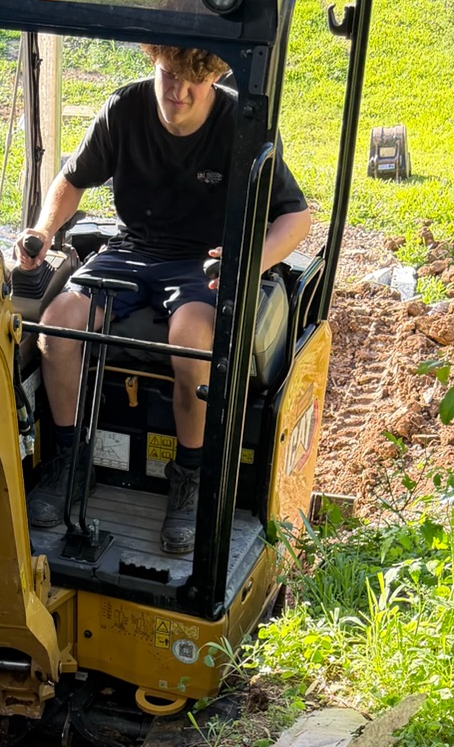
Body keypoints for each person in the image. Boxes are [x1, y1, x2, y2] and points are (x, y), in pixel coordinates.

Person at [16, 43, 312, 553]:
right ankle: (71, 461)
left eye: (194, 82)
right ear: (154, 62)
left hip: (205, 260)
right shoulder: (125, 108)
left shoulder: (242, 125)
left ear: (214, 79)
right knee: (58, 324)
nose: (178, 91)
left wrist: (247, 264)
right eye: (169, 75)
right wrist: (44, 230)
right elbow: (71, 179)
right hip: (131, 250)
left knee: (193, 339)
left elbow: (296, 217)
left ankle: (189, 477)